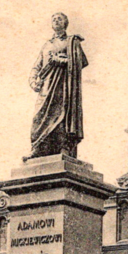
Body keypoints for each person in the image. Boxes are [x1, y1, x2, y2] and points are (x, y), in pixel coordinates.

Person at [27, 12, 88, 159]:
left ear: (65, 23)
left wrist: (62, 61)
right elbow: (37, 66)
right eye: (53, 19)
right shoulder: (47, 45)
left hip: (63, 86)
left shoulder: (72, 42)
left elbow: (80, 62)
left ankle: (63, 147)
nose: (56, 21)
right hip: (46, 88)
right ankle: (38, 148)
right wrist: (33, 80)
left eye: (59, 19)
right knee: (39, 117)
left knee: (61, 115)